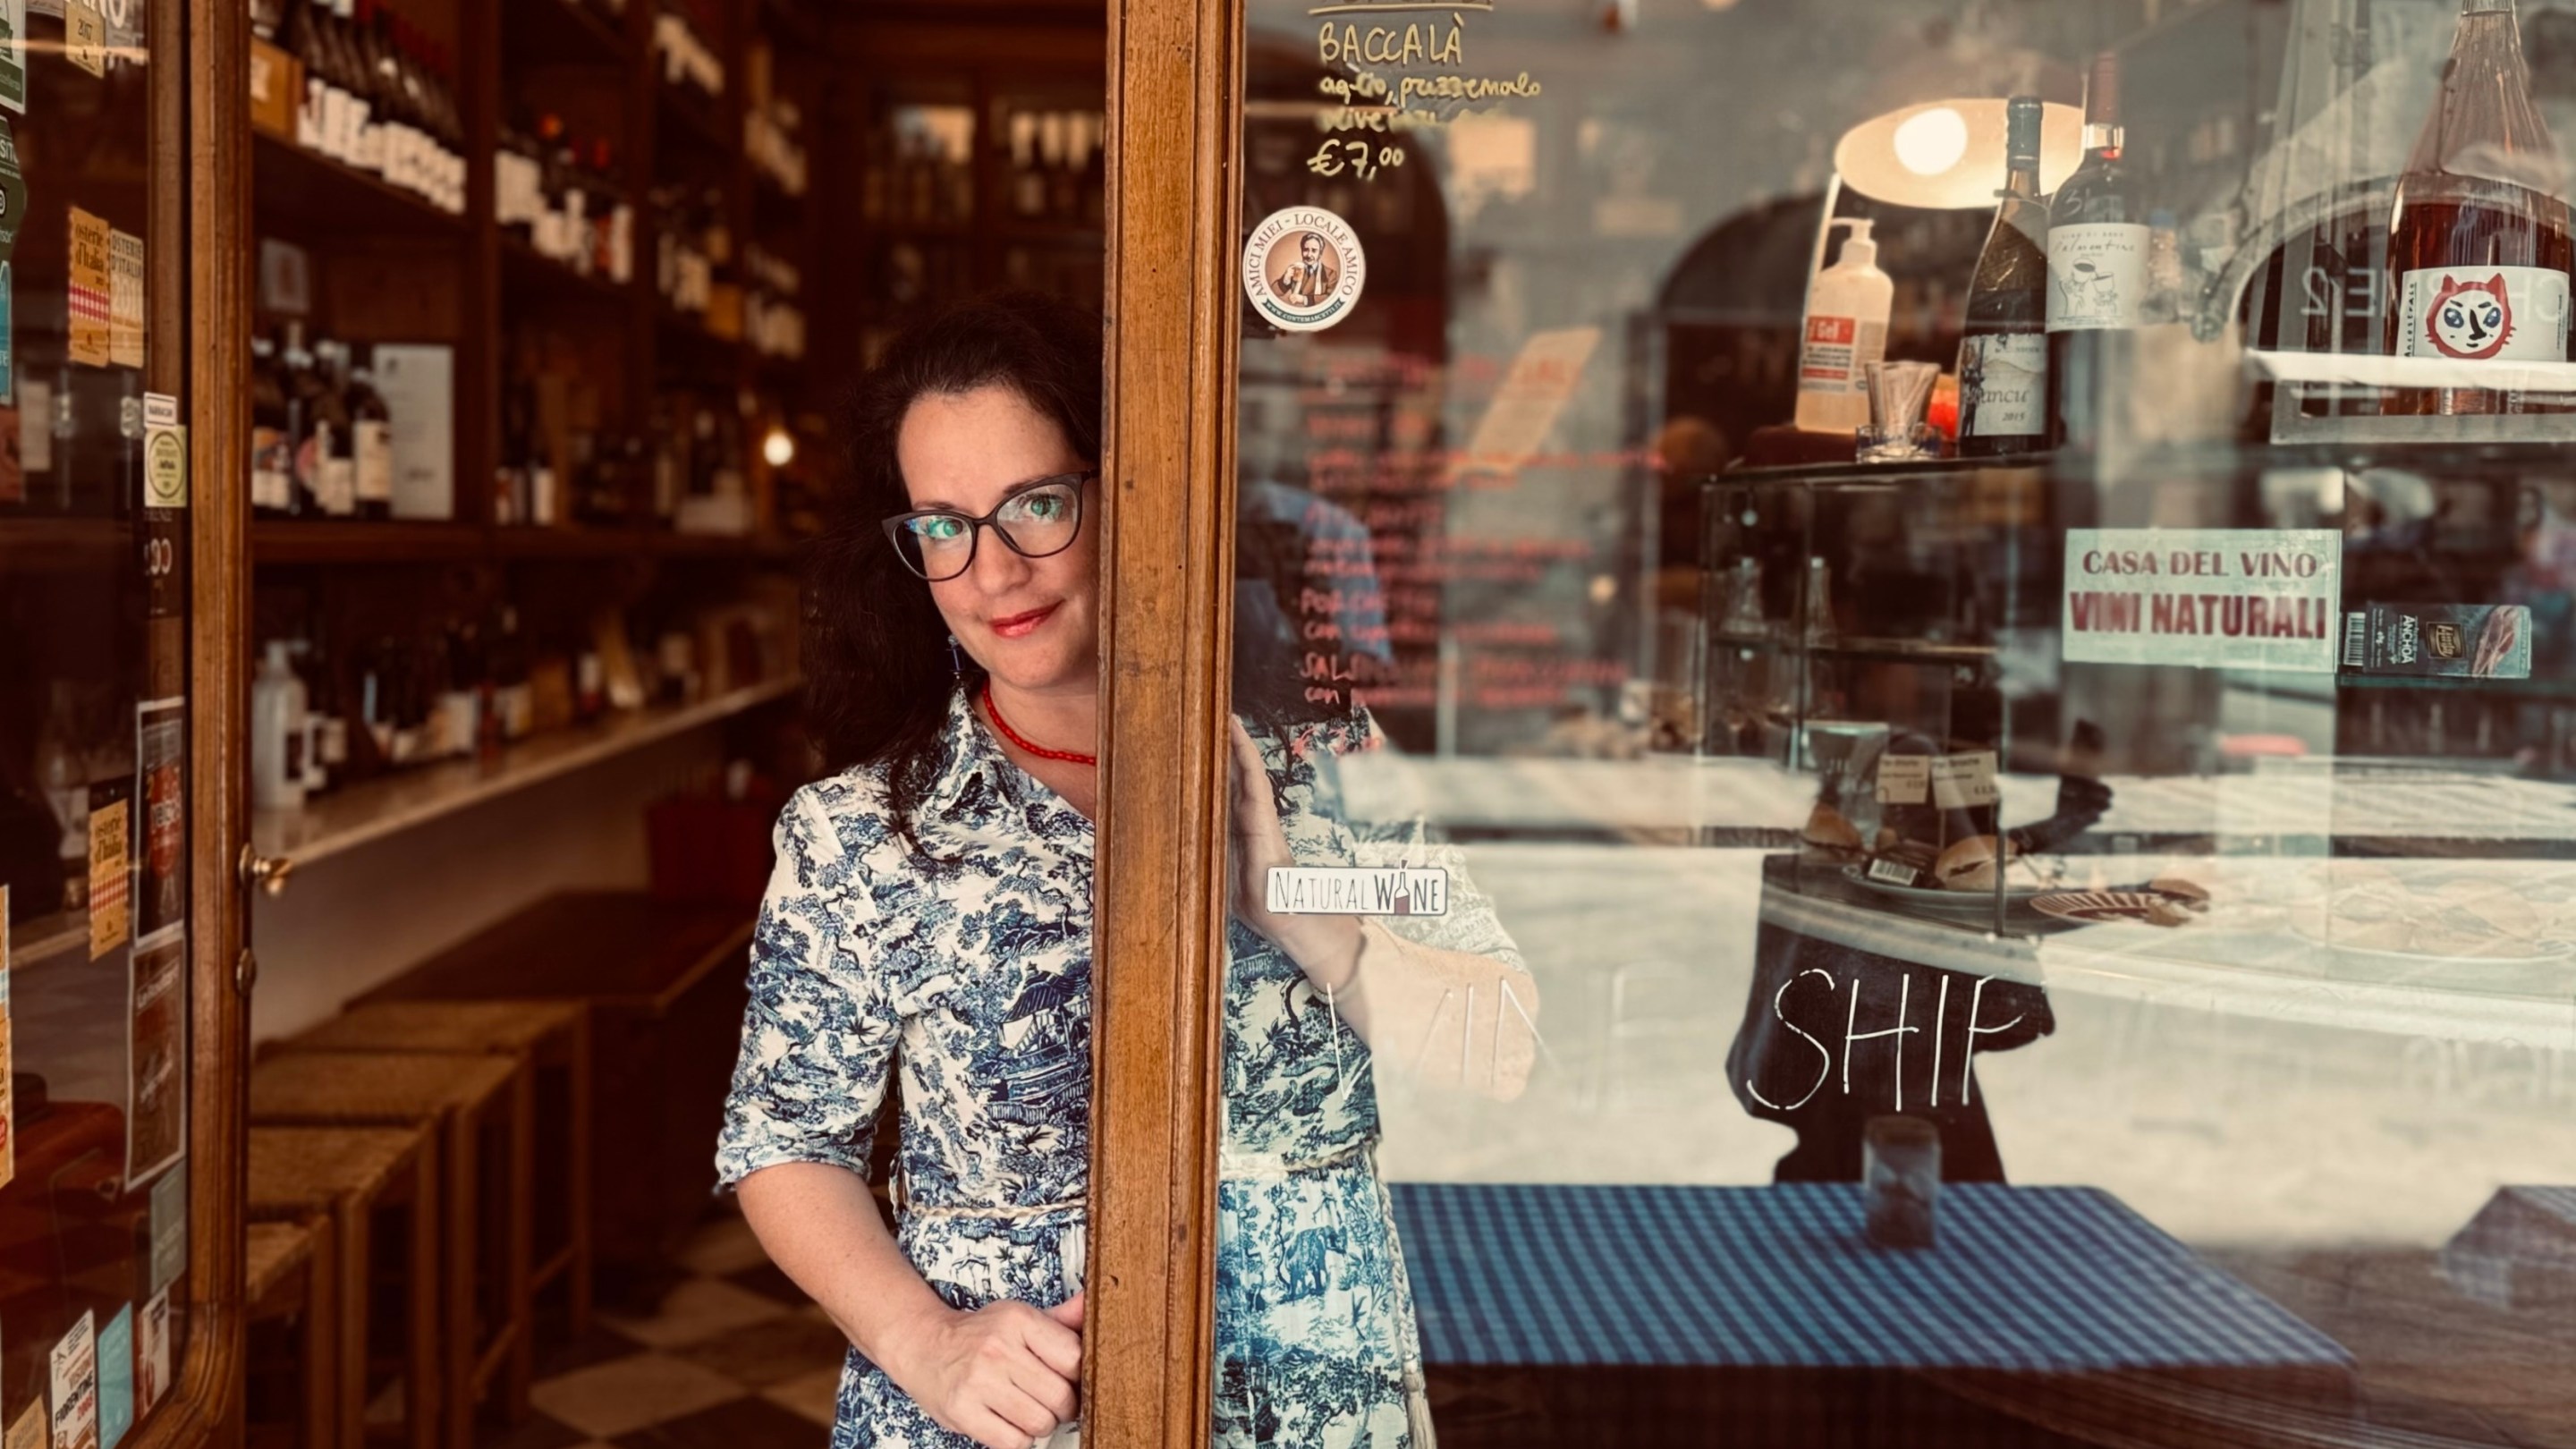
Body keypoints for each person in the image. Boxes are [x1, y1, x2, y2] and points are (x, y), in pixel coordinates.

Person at [716, 292, 1539, 1449]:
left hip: (1311, 1407)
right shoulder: (857, 834)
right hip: (1009, 1420)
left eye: (1037, 505)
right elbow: (784, 1142)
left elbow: (1503, 1047)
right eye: (944, 525)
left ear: (1131, 488)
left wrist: (1301, 910)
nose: (995, 570)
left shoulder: (1333, 769)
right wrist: (927, 1344)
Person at [1273, 233, 1338, 308]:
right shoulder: (1296, 269)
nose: (1309, 255)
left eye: (1314, 250)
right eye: (1306, 250)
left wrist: (1304, 299)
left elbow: (1332, 298)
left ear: (1320, 253)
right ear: (1301, 251)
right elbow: (1273, 293)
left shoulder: (1330, 274)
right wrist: (1285, 279)